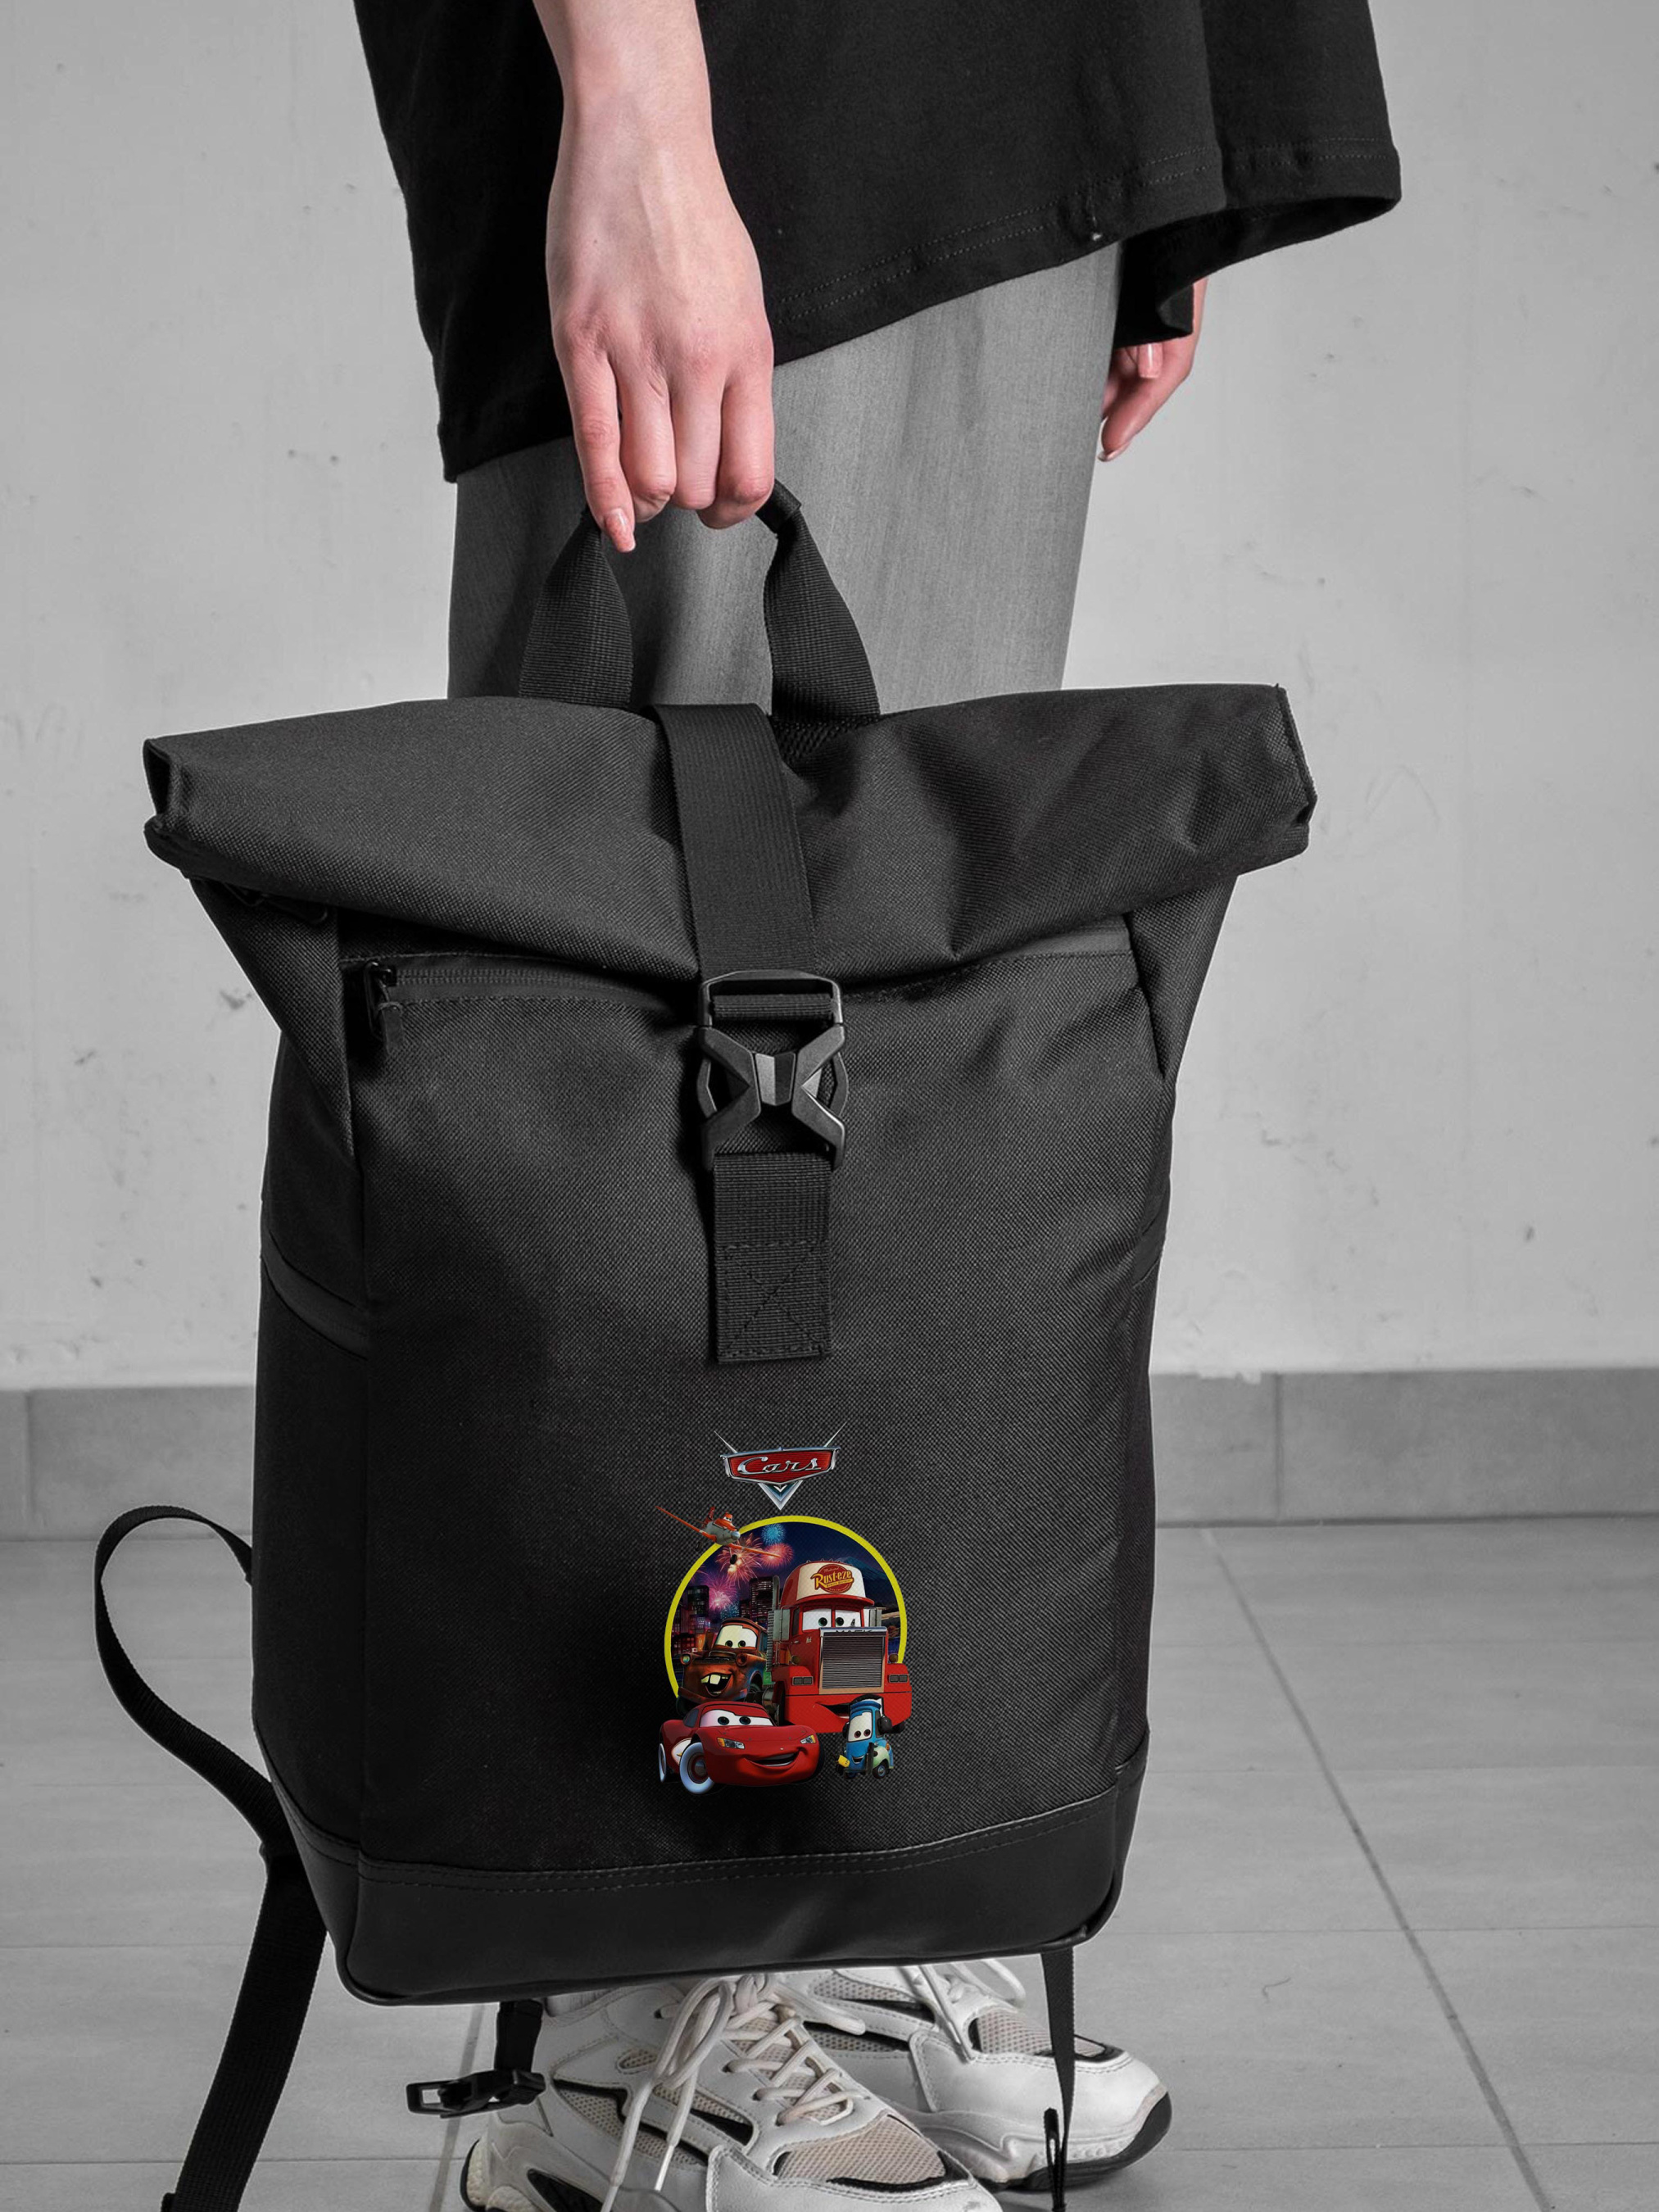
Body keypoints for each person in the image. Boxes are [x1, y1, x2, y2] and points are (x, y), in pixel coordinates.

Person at [348, 5, 1399, 2208]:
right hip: (750, 77)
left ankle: (830, 1918)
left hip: (1005, 83)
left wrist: (1152, 146)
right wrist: (635, 100)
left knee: (887, 1087)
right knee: (631, 1066)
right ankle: (628, 2018)